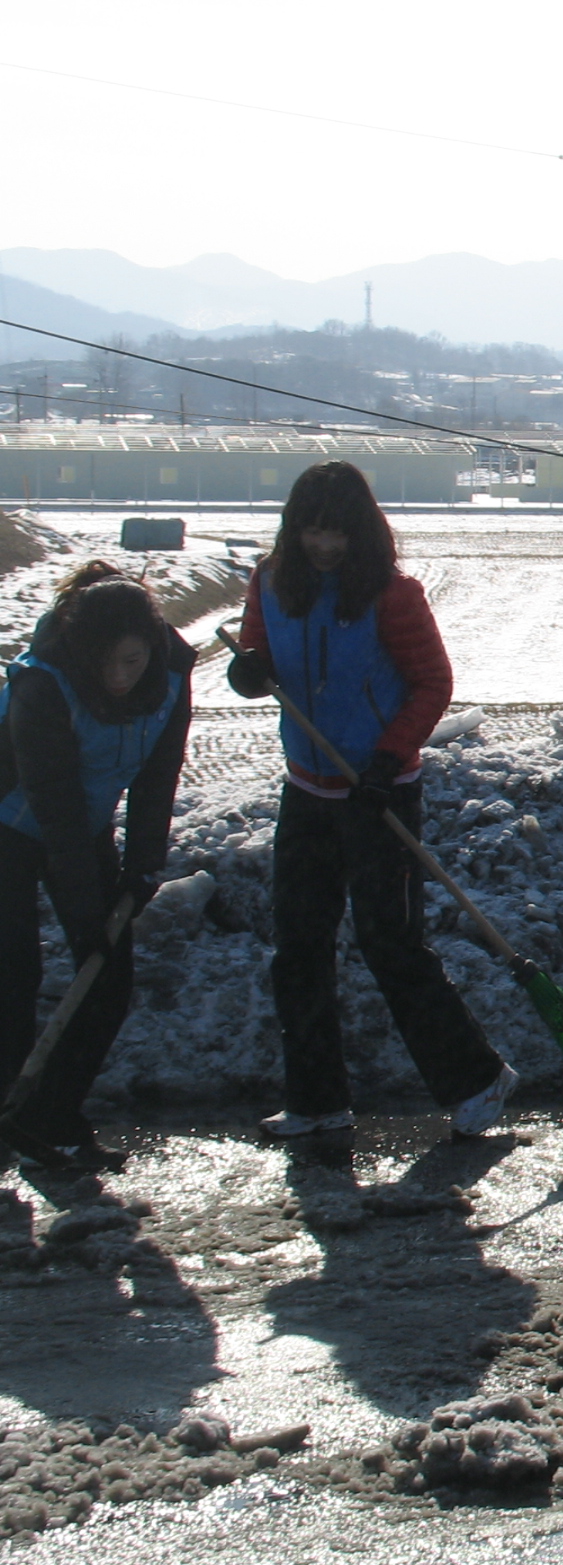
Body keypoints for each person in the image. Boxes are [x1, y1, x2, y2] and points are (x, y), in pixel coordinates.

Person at [229, 461, 516, 1140]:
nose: (324, 546)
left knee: (390, 942)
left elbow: (432, 683)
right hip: (307, 789)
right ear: (294, 529)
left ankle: (478, 1080)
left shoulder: (392, 595)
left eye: (337, 533)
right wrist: (247, 672)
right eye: (311, 531)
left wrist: (387, 760)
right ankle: (316, 1101)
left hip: (377, 791)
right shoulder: (270, 583)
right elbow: (256, 657)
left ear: (362, 532)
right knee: (299, 947)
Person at [0, 564, 192, 1175]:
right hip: (11, 824)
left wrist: (143, 867)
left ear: (152, 646)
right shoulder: (43, 683)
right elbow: (52, 802)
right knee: (12, 976)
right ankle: (7, 1115)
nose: (118, 677)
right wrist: (87, 911)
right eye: (104, 663)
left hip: (83, 829)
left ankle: (52, 1117)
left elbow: (157, 778)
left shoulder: (170, 676)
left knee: (108, 978)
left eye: (131, 661)